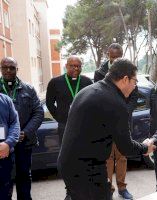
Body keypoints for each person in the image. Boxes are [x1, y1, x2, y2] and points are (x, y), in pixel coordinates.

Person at [57, 58, 156, 200]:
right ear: (125, 79)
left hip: (69, 164)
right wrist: (145, 148)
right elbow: (126, 147)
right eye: (135, 81)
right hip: (87, 169)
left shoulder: (89, 90)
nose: (135, 86)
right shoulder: (115, 102)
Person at [46, 55, 93, 200]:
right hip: (65, 126)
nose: (76, 68)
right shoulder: (55, 82)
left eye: (78, 66)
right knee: (68, 160)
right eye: (72, 65)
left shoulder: (86, 81)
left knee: (85, 158)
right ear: (66, 66)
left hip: (84, 127)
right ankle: (70, 190)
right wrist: (60, 118)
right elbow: (49, 103)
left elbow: (94, 101)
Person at [94, 43, 136, 199]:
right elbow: (99, 95)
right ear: (108, 55)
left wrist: (124, 111)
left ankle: (122, 188)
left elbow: (134, 95)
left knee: (122, 155)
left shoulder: (129, 69)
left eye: (118, 57)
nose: (115, 59)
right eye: (112, 57)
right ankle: (109, 188)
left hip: (123, 121)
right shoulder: (100, 73)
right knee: (108, 157)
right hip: (106, 122)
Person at [0, 57, 44, 200]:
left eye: (11, 67)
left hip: (24, 141)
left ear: (17, 69)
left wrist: (25, 132)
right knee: (4, 178)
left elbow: (38, 112)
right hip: (3, 144)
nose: (8, 70)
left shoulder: (28, 89)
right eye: (4, 67)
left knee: (24, 175)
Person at [0, 93, 20, 199]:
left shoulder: (5, 100)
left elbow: (15, 123)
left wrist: (8, 143)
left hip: (5, 156)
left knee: (6, 192)